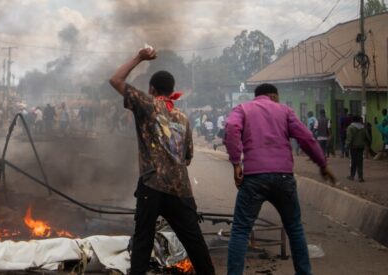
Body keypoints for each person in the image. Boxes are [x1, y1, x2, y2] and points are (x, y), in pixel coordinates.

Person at [109, 47, 215, 275]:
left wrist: (139, 57)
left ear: (152, 89)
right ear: (171, 91)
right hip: (180, 189)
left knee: (143, 240)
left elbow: (115, 79)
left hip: (152, 186)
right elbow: (187, 158)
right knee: (195, 243)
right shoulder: (183, 118)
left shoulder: (146, 104)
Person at [224, 83, 335, 275]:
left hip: (254, 178)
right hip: (284, 176)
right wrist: (322, 164)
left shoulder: (243, 109)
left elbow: (232, 127)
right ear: (273, 96)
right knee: (294, 228)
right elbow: (306, 138)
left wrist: (236, 162)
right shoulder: (285, 111)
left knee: (241, 230)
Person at [346, 115, 368, 182]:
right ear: (359, 120)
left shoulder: (350, 127)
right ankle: (360, 177)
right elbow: (366, 136)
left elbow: (349, 138)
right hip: (361, 146)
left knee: (353, 162)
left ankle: (352, 176)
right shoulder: (363, 127)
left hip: (353, 147)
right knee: (360, 162)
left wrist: (347, 146)